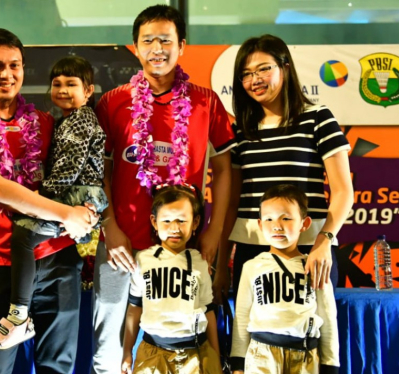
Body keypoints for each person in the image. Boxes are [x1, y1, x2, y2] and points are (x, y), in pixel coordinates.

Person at [93, 5, 235, 372]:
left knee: (182, 345)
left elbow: (223, 170)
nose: (157, 48)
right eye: (148, 41)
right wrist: (110, 229)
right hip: (121, 246)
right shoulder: (113, 102)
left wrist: (214, 234)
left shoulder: (206, 101)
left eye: (166, 40)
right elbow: (100, 173)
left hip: (183, 245)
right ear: (135, 47)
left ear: (182, 46)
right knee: (109, 346)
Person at [0, 28, 97, 374]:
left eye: (15, 65)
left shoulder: (46, 123)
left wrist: (85, 211)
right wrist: (67, 214)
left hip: (59, 260)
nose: (7, 74)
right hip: (1, 264)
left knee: (58, 367)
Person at [213, 34, 354, 304]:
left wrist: (324, 241)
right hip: (252, 250)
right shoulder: (240, 131)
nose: (255, 80)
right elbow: (233, 204)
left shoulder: (317, 118)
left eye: (264, 68)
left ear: (285, 67)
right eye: (246, 74)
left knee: (311, 334)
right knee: (254, 338)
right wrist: (221, 267)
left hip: (309, 248)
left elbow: (343, 191)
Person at [0, 55, 108, 350]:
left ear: (88, 91)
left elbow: (69, 169)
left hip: (77, 195)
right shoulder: (63, 120)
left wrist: (39, 198)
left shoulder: (82, 120)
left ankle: (18, 317)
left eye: (71, 84)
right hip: (73, 196)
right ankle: (19, 316)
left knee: (24, 237)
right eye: (57, 84)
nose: (63, 90)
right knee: (24, 237)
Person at [231, 184, 339, 373]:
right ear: (260, 225)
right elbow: (241, 317)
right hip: (261, 356)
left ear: (304, 224)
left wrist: (330, 364)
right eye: (269, 219)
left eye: (286, 218)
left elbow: (328, 317)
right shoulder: (252, 267)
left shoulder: (315, 267)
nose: (277, 226)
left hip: (305, 356)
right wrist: (238, 363)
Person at [121, 184, 221, 374]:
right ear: (154, 222)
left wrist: (215, 355)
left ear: (195, 222)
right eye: (166, 220)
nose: (174, 227)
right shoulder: (143, 260)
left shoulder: (200, 262)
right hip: (152, 354)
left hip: (195, 353)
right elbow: (134, 308)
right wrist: (127, 351)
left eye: (182, 220)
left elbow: (208, 311)